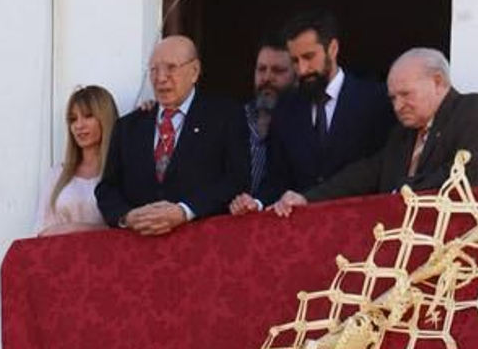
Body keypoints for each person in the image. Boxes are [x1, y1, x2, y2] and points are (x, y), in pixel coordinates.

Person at [274, 47, 478, 209]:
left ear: (438, 81)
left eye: (405, 94)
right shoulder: (401, 135)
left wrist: (400, 191)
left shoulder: (473, 110)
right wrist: (308, 199)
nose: (397, 106)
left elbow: (467, 174)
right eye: (393, 98)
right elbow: (365, 174)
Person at [95, 35, 247, 234]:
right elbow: (107, 189)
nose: (160, 78)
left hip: (202, 245)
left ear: (194, 71)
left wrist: (185, 211)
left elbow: (236, 180)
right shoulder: (129, 126)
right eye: (154, 70)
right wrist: (128, 216)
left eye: (171, 68)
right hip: (139, 249)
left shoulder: (225, 117)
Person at [239, 10, 391, 209]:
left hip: (361, 225)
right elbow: (277, 178)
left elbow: (383, 169)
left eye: (309, 57)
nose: (302, 69)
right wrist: (257, 203)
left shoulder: (375, 100)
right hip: (305, 232)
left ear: (333, 49)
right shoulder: (285, 109)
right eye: (295, 60)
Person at [32, 85, 117, 236]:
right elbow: (41, 232)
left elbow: (128, 227)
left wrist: (78, 228)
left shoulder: (120, 172)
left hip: (109, 257)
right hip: (62, 258)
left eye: (88, 115)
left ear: (105, 118)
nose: (79, 125)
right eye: (73, 119)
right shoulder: (57, 174)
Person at [235, 36, 294, 204]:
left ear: (296, 75)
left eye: (278, 70)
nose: (267, 77)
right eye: (261, 69)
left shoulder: (304, 123)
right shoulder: (235, 118)